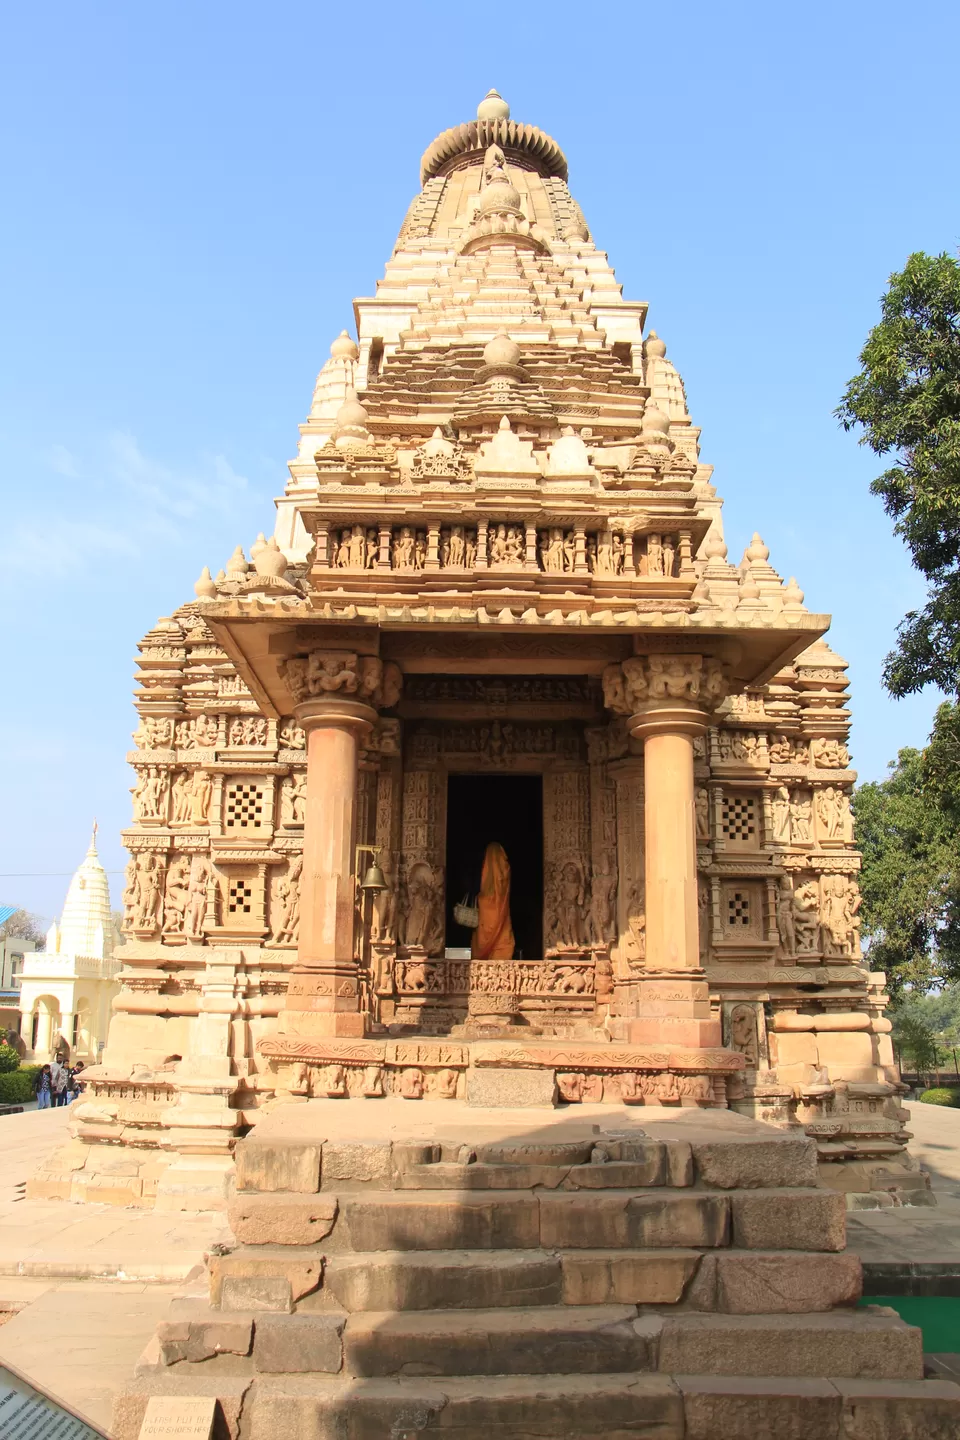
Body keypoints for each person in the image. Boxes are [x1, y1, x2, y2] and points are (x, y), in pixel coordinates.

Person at [471, 841, 515, 961]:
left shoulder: (484, 869)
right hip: (500, 911)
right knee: (502, 939)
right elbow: (503, 877)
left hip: (486, 912)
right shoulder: (504, 870)